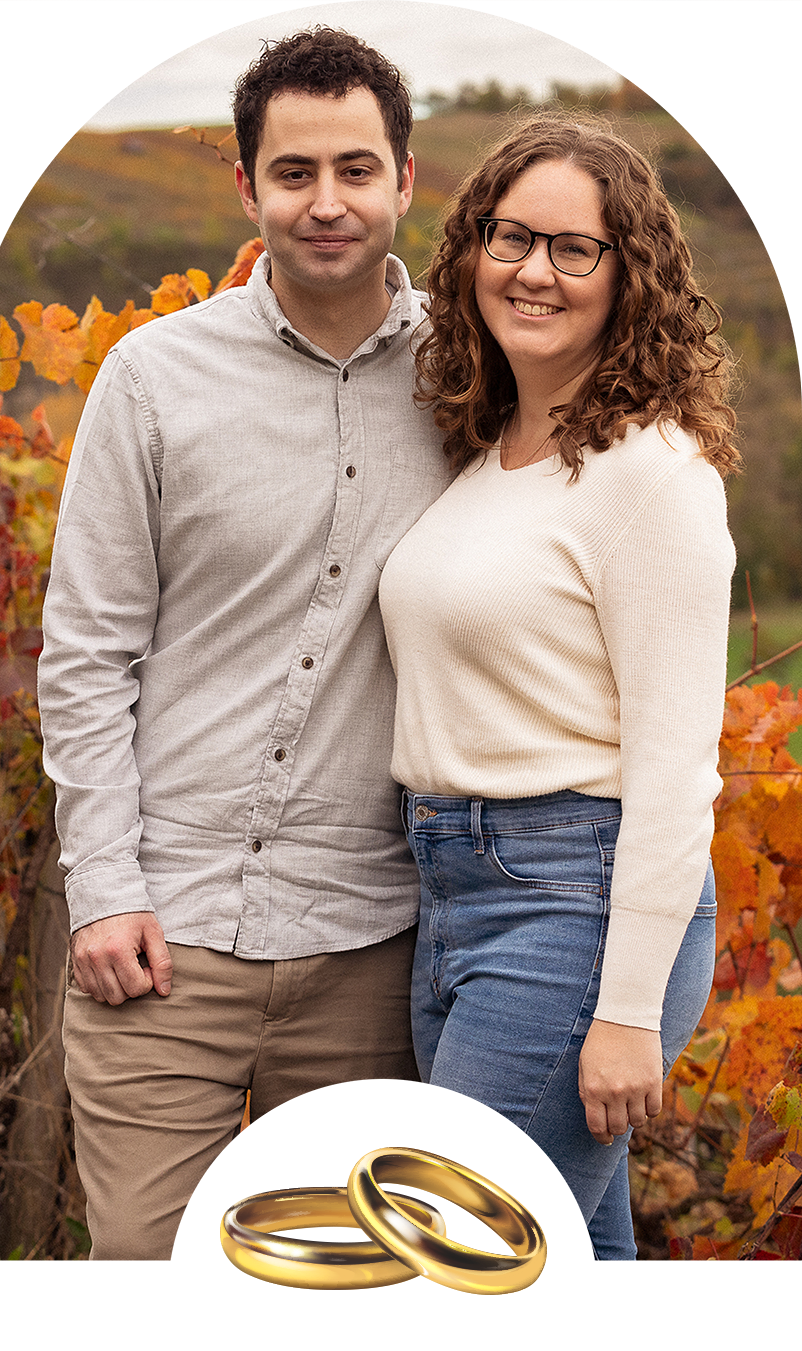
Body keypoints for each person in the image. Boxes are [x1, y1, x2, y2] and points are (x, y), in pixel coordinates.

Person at [37, 27, 451, 1261]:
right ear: (245, 186)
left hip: (376, 945)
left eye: (356, 170)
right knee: (144, 1278)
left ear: (405, 178)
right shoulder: (151, 379)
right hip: (162, 938)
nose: (327, 202)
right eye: (294, 172)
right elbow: (87, 651)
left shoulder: (474, 378)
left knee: (347, 1296)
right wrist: (105, 888)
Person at [378, 111, 739, 1260]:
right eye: (511, 237)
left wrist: (627, 1009)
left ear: (630, 275)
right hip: (452, 893)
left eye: (574, 247)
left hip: (572, 907)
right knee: (569, 1270)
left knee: (431, 1259)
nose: (534, 270)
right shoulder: (489, 455)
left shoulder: (652, 474)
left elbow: (677, 770)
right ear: (473, 248)